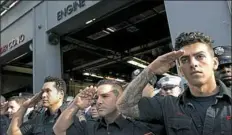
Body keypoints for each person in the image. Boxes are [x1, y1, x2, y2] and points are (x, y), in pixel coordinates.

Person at [117, 32, 231, 135]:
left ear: (215, 63)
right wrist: (150, 70)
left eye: (200, 56)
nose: (193, 63)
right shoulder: (168, 106)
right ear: (180, 70)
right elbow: (124, 106)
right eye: (185, 60)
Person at [53, 80, 163, 135]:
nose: (99, 102)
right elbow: (58, 130)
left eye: (105, 96)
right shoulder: (90, 127)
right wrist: (75, 104)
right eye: (97, 97)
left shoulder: (140, 129)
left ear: (120, 98)